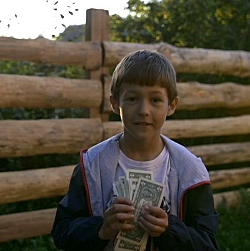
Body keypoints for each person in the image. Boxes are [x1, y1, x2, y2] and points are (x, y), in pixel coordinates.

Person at [51, 49, 219, 251]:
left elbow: (207, 243)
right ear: (115, 103)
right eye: (132, 99)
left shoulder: (190, 170)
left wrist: (169, 230)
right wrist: (101, 229)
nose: (144, 110)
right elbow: (62, 232)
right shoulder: (92, 165)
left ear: (171, 105)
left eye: (155, 100)